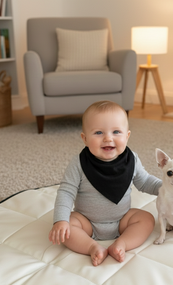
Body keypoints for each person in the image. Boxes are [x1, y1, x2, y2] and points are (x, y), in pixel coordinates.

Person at [49, 100, 162, 266]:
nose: (108, 138)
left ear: (127, 136)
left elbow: (144, 182)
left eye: (116, 132)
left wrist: (165, 188)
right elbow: (66, 192)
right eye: (98, 133)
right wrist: (60, 220)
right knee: (68, 226)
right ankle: (92, 247)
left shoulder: (131, 160)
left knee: (146, 219)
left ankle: (122, 243)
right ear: (85, 138)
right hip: (87, 222)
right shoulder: (79, 163)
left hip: (122, 220)